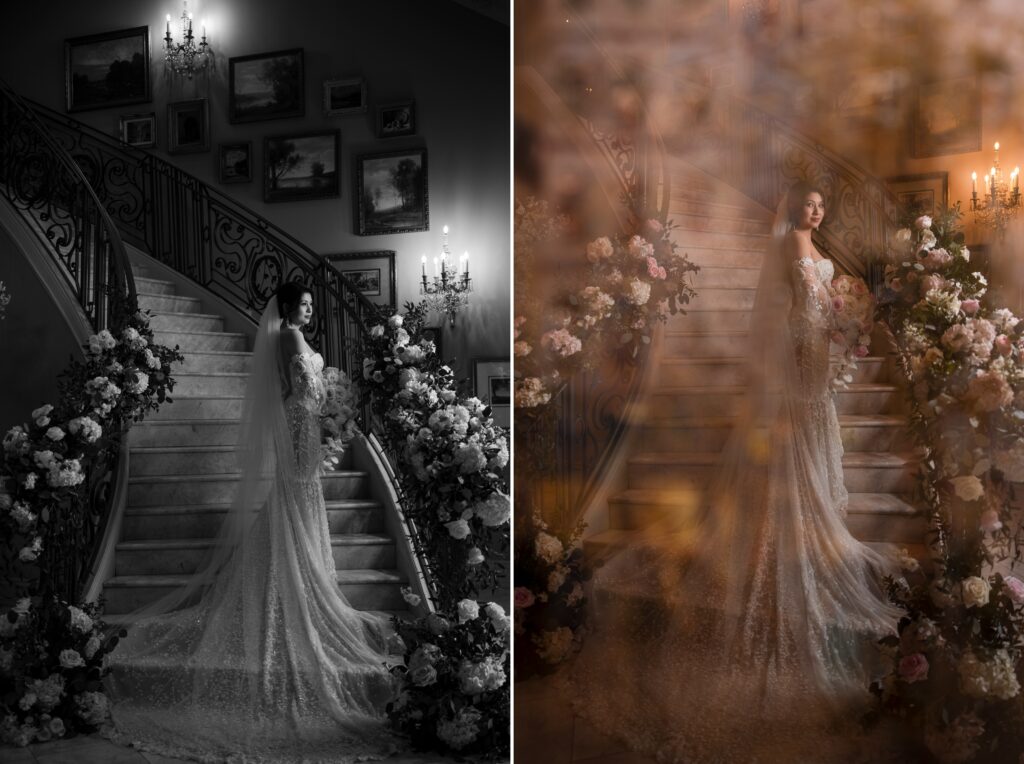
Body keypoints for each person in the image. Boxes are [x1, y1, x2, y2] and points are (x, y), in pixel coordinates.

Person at [570, 182, 904, 763]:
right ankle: (793, 532)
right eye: (810, 202)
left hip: (817, 355)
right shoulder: (789, 250)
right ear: (793, 205)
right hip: (800, 355)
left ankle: (816, 526)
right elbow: (784, 312)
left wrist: (843, 325)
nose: (817, 209)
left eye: (823, 203)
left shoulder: (813, 248)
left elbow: (825, 306)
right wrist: (820, 333)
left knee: (817, 428)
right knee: (799, 435)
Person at [104, 281, 399, 763]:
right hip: (300, 425)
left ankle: (296, 569)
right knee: (297, 495)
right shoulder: (285, 334)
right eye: (301, 303)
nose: (307, 310)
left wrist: (334, 406)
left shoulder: (291, 335)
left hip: (308, 422)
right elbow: (299, 387)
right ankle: (294, 577)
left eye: (310, 304)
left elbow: (309, 386)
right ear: (284, 307)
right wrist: (327, 406)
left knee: (299, 501)